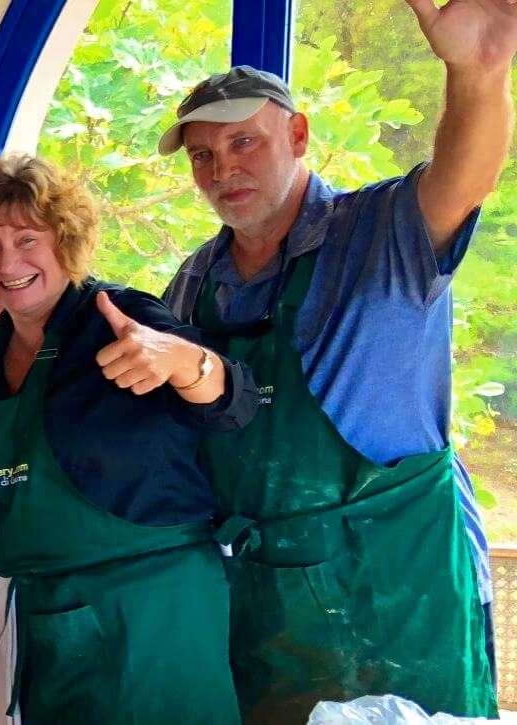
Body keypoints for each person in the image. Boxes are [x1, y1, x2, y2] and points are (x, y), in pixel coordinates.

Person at [155, 4, 514, 719]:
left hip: (399, 589)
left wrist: (475, 75)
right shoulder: (193, 283)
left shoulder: (382, 231)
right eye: (203, 155)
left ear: (297, 135)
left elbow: (464, 177)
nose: (223, 169)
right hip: (268, 604)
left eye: (244, 143)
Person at [0, 153, 248, 720]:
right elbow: (6, 481)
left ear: (66, 241)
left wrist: (182, 361)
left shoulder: (122, 317)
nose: (9, 262)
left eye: (28, 239)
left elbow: (235, 403)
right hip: (49, 619)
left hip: (154, 610)